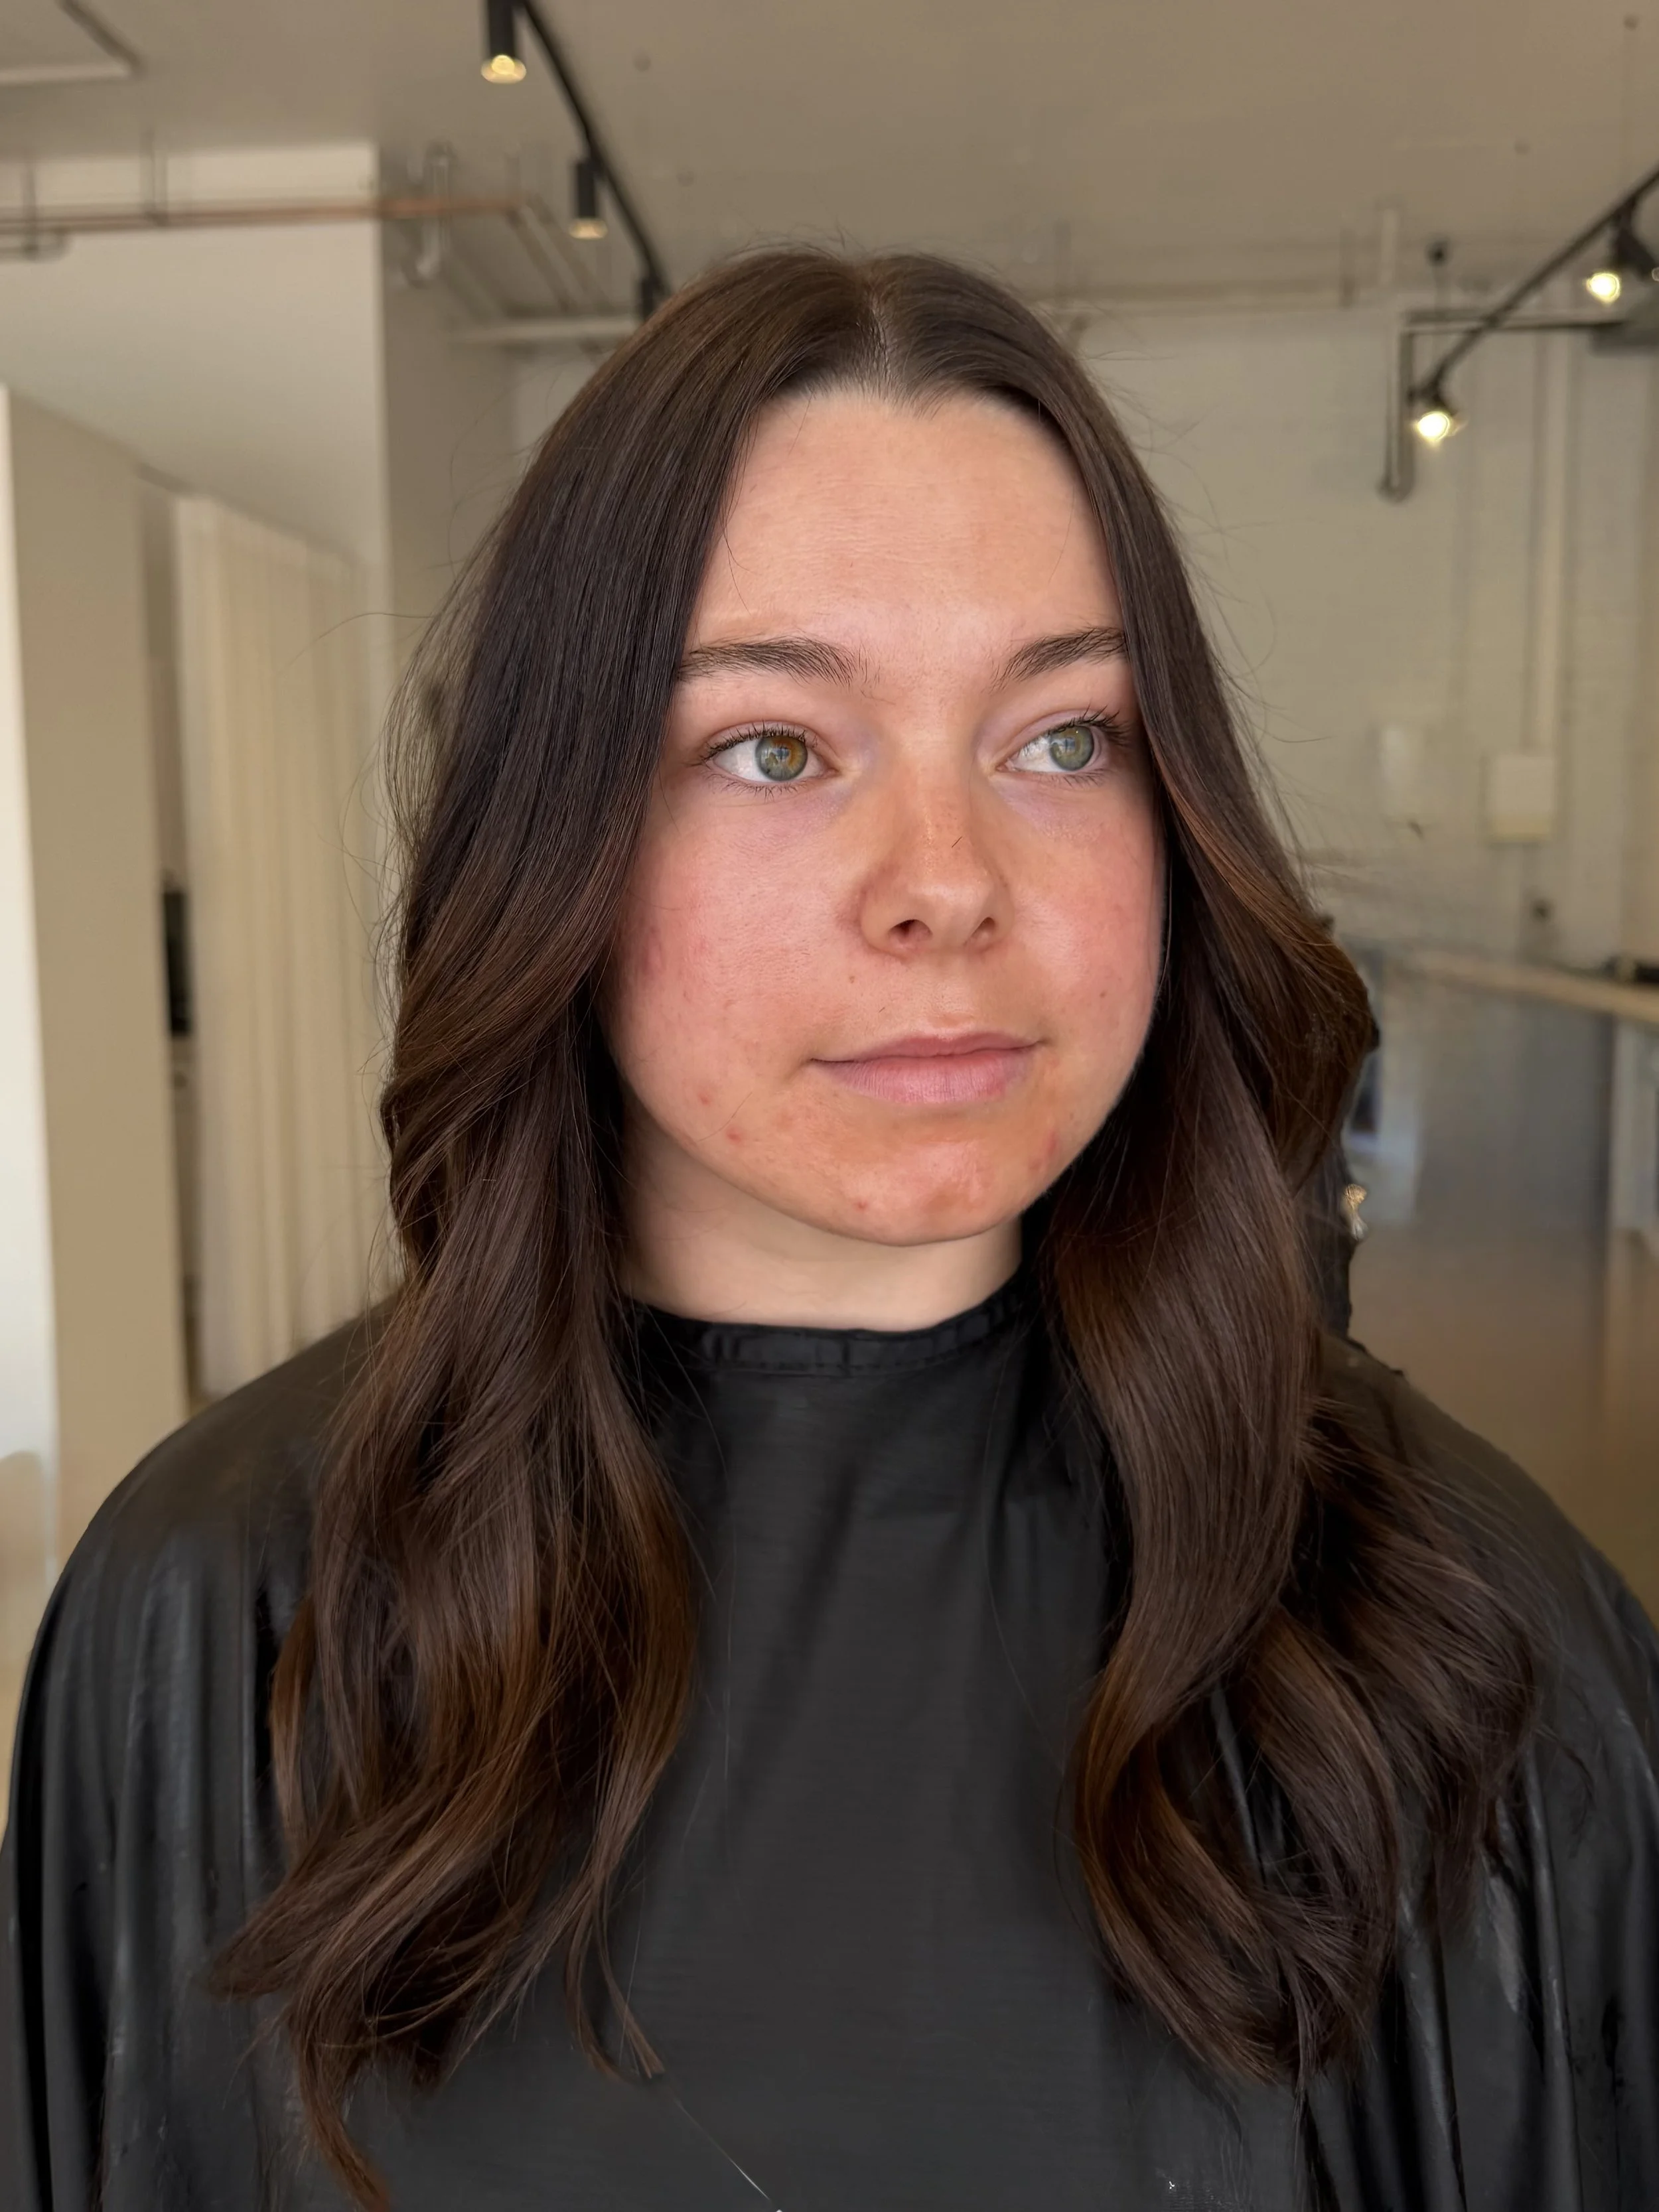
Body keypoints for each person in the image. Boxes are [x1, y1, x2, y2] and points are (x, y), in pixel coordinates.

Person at [3, 248, 1656, 2212]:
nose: (945, 886)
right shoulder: (222, 1606)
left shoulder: (1462, 1632)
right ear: (558, 838)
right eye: (774, 747)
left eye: (1061, 737)